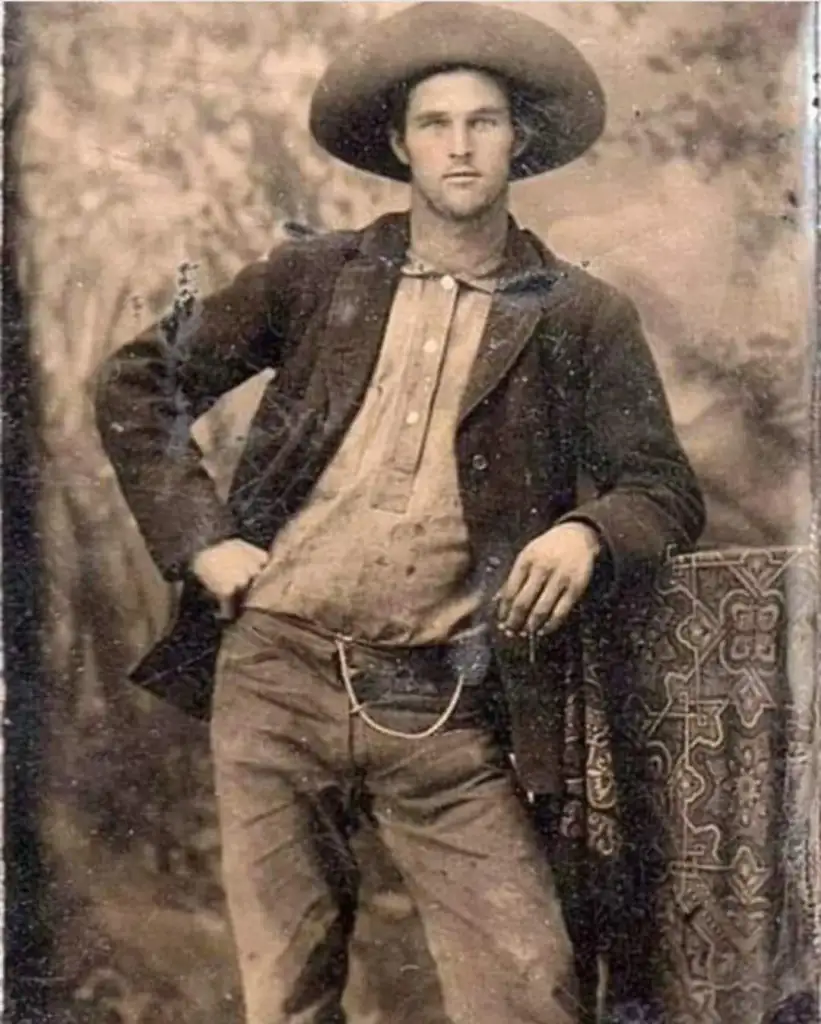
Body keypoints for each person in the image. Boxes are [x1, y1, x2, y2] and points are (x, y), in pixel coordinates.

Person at [94, 4, 705, 1023]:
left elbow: (661, 489)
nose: (459, 145)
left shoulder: (576, 314)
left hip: (445, 707)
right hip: (275, 677)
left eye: (483, 121)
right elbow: (137, 383)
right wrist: (203, 542)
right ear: (398, 143)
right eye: (435, 123)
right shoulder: (317, 275)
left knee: (530, 991)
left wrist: (584, 529)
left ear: (520, 141)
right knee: (287, 997)